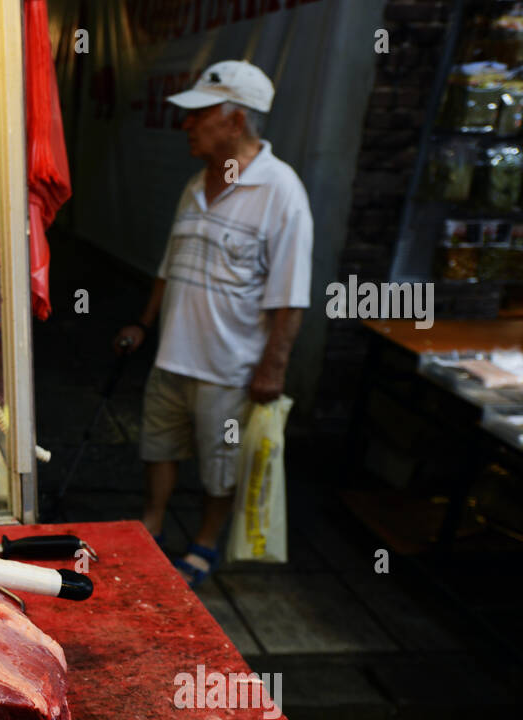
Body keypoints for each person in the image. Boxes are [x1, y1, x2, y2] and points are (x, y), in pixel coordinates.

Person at [114, 60, 312, 587]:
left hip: (229, 367)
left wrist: (273, 369)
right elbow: (167, 267)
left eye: (198, 115)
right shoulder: (196, 185)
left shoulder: (282, 192)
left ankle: (204, 542)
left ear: (235, 121)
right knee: (158, 445)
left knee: (219, 465)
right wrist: (143, 323)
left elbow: (290, 298)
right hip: (172, 355)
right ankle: (152, 524)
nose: (186, 125)